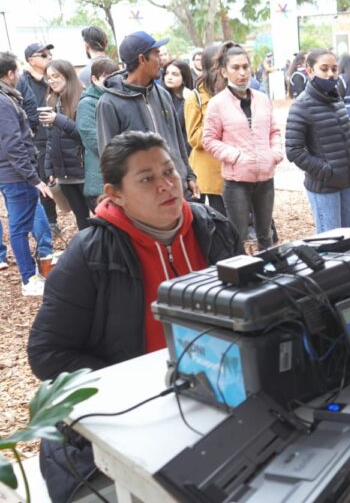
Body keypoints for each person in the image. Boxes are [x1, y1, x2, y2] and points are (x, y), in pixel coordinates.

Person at [27, 131, 241, 501]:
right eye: (147, 179)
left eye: (169, 171)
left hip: (224, 396)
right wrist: (142, 382)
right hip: (136, 413)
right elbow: (47, 354)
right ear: (115, 194)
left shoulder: (214, 228)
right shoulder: (89, 255)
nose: (166, 186)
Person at [96, 31, 199, 200]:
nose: (161, 60)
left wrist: (188, 175)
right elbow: (109, 158)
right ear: (142, 59)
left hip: (176, 188)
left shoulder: (163, 94)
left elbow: (177, 139)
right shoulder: (109, 103)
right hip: (144, 197)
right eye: (156, 54)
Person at [202, 42, 283, 250]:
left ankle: (270, 273)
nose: (242, 73)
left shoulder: (262, 99)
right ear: (224, 71)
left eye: (245, 67)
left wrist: (274, 153)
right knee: (238, 236)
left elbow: (274, 131)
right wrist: (235, 156)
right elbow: (209, 140)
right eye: (235, 68)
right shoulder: (217, 103)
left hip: (265, 176)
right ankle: (241, 278)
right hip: (236, 180)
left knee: (266, 234)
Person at [285, 49, 350, 233]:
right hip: (325, 187)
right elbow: (294, 150)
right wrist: (326, 171)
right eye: (324, 69)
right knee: (331, 239)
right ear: (310, 71)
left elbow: (346, 137)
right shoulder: (301, 105)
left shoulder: (337, 99)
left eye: (334, 69)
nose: (330, 74)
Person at [0, 51, 54, 296]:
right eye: (17, 71)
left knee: (20, 225)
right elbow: (13, 143)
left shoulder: (7, 98)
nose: (19, 75)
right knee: (20, 228)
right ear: (10, 73)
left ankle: (34, 271)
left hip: (11, 173)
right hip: (15, 175)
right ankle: (29, 279)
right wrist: (33, 177)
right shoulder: (4, 101)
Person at [38, 59, 90, 230]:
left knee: (99, 214)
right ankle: (89, 252)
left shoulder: (83, 97)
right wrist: (50, 169)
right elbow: (50, 140)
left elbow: (85, 135)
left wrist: (58, 119)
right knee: (80, 218)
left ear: (67, 76)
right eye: (49, 77)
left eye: (56, 76)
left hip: (84, 170)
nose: (52, 81)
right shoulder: (51, 100)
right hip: (65, 174)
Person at [20, 42, 58, 233]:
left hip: (59, 132)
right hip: (39, 139)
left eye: (49, 53)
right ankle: (51, 221)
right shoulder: (22, 80)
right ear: (30, 60)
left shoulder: (53, 76)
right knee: (45, 178)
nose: (48, 56)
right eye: (42, 54)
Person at [185, 44, 226, 216]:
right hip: (210, 173)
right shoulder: (195, 98)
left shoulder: (236, 94)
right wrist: (217, 120)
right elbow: (194, 138)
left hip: (237, 170)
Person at [77, 57, 120, 213]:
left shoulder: (119, 97)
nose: (113, 81)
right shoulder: (87, 103)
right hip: (99, 181)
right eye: (107, 77)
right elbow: (93, 139)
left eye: (116, 76)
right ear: (94, 79)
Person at [162, 58, 194, 155]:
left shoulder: (191, 98)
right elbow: (172, 126)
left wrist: (186, 101)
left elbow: (180, 126)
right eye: (167, 73)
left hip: (187, 151)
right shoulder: (161, 96)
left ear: (184, 78)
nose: (169, 77)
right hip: (167, 150)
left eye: (175, 74)